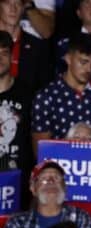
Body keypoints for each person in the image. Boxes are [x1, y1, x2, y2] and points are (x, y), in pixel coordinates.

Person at [31, 32, 91, 150]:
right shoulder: (47, 96)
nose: (88, 69)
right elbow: (40, 148)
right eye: (83, 62)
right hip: (58, 166)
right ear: (68, 59)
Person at [0, 0, 51, 96]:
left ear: (24, 8)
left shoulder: (37, 47)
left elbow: (44, 88)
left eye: (18, 4)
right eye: (7, 3)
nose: (13, 9)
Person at [0, 31, 31, 176]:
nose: (0, 58)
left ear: (12, 57)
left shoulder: (28, 94)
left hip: (18, 179)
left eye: (4, 53)